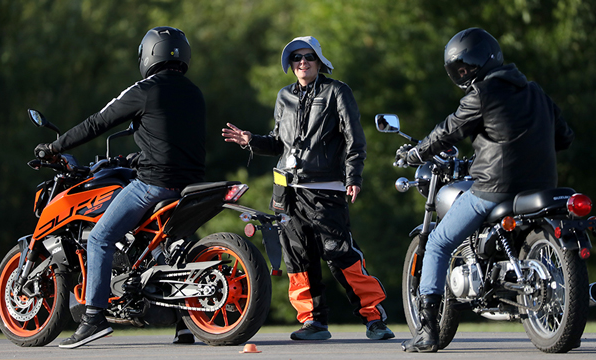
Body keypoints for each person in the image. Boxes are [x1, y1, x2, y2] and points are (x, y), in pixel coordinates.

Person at [397, 28, 575, 352]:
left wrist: (415, 153)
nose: (464, 73)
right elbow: (564, 137)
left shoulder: (483, 93)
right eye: (459, 69)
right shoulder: (536, 92)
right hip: (541, 186)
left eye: (467, 66)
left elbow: (448, 131)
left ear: (482, 63)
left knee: (437, 242)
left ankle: (427, 332)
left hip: (495, 188)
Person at [34, 26, 206, 349]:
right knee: (170, 252)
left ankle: (94, 317)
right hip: (191, 185)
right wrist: (134, 157)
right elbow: (173, 141)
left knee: (100, 237)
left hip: (155, 184)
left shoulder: (145, 89)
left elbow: (97, 122)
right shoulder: (194, 92)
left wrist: (56, 146)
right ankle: (185, 326)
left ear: (149, 53)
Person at [222, 36, 395, 341]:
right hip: (286, 191)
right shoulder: (284, 97)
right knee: (297, 259)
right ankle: (312, 322)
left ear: (319, 61)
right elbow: (279, 143)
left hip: (326, 189)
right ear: (291, 64)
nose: (302, 62)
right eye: (296, 58)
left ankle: (374, 318)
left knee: (341, 254)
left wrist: (354, 177)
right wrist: (251, 141)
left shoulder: (337, 92)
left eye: (308, 57)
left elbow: (356, 140)